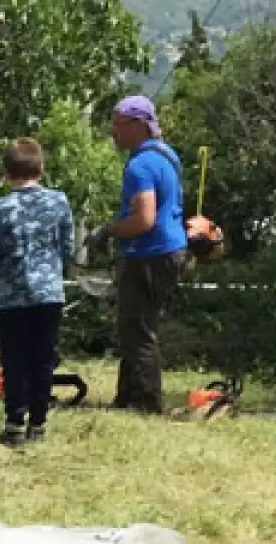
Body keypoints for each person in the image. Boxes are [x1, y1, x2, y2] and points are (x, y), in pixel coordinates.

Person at [86, 96, 187, 414]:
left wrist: (107, 231)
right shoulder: (166, 154)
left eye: (118, 124)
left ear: (139, 125)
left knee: (138, 331)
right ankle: (127, 397)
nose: (113, 132)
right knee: (134, 328)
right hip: (171, 251)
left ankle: (145, 404)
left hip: (149, 255)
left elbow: (144, 219)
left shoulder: (141, 164)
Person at [0, 137, 74, 449]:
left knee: (15, 359)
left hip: (13, 296)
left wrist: (0, 279)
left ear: (6, 172)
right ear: (41, 167)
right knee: (43, 358)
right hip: (49, 293)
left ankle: (14, 424)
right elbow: (68, 247)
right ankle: (38, 422)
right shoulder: (59, 202)